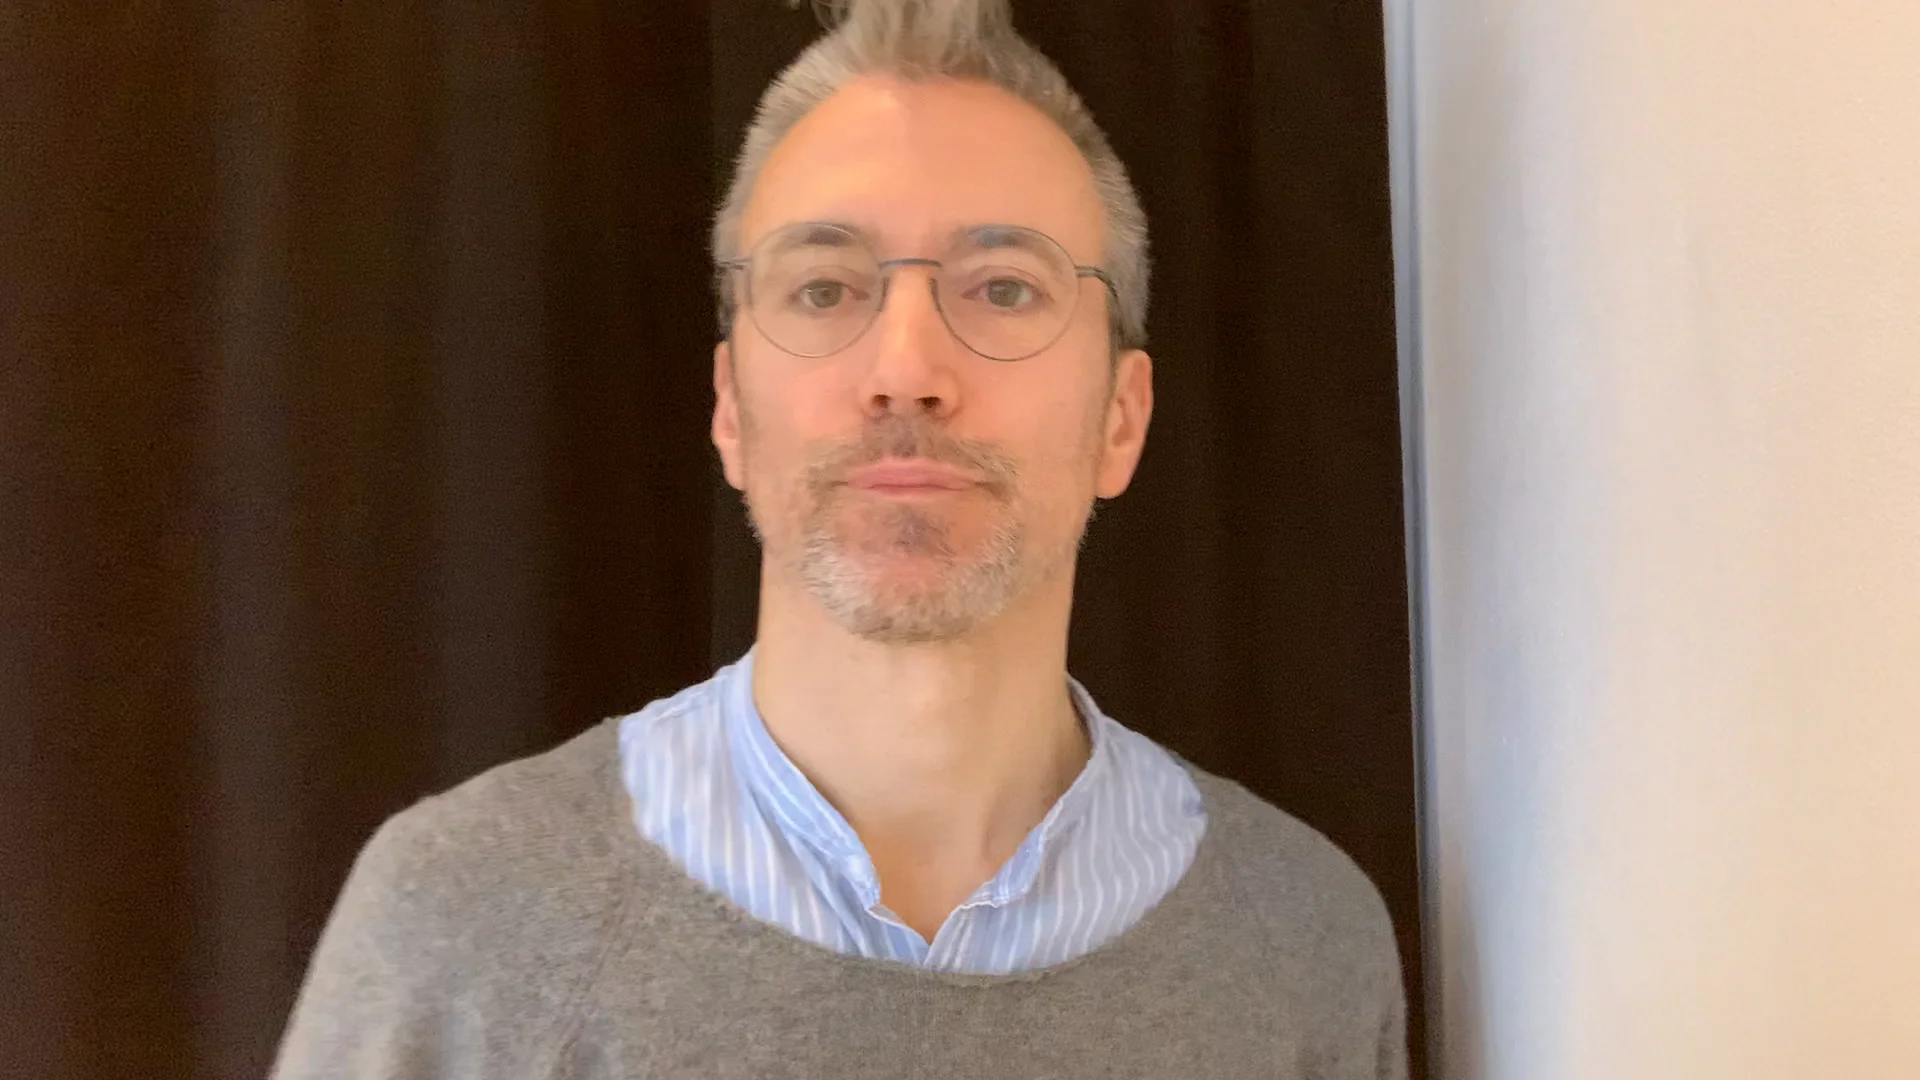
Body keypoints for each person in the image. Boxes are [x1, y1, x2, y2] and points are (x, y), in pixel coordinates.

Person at [271, 0, 1408, 1076]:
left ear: (1122, 418)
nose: (905, 369)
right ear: (731, 409)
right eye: (825, 289)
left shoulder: (1305, 944)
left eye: (1003, 288)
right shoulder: (458, 921)